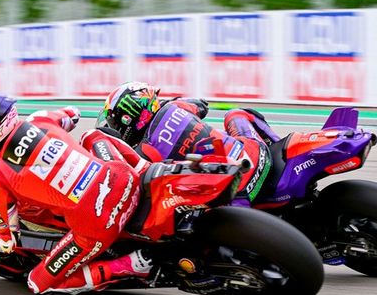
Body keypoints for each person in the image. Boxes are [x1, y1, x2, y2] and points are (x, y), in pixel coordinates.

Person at [0, 90, 154, 295]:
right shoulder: (39, 118)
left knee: (38, 284)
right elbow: (73, 114)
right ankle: (147, 169)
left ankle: (130, 266)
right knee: (91, 136)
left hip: (97, 223)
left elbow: (6, 243)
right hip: (124, 177)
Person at [96, 81, 278, 206]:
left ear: (128, 116)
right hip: (257, 153)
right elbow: (202, 105)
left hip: (234, 191)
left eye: (114, 122)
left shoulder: (142, 152)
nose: (115, 127)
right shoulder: (177, 106)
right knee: (236, 114)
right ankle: (277, 144)